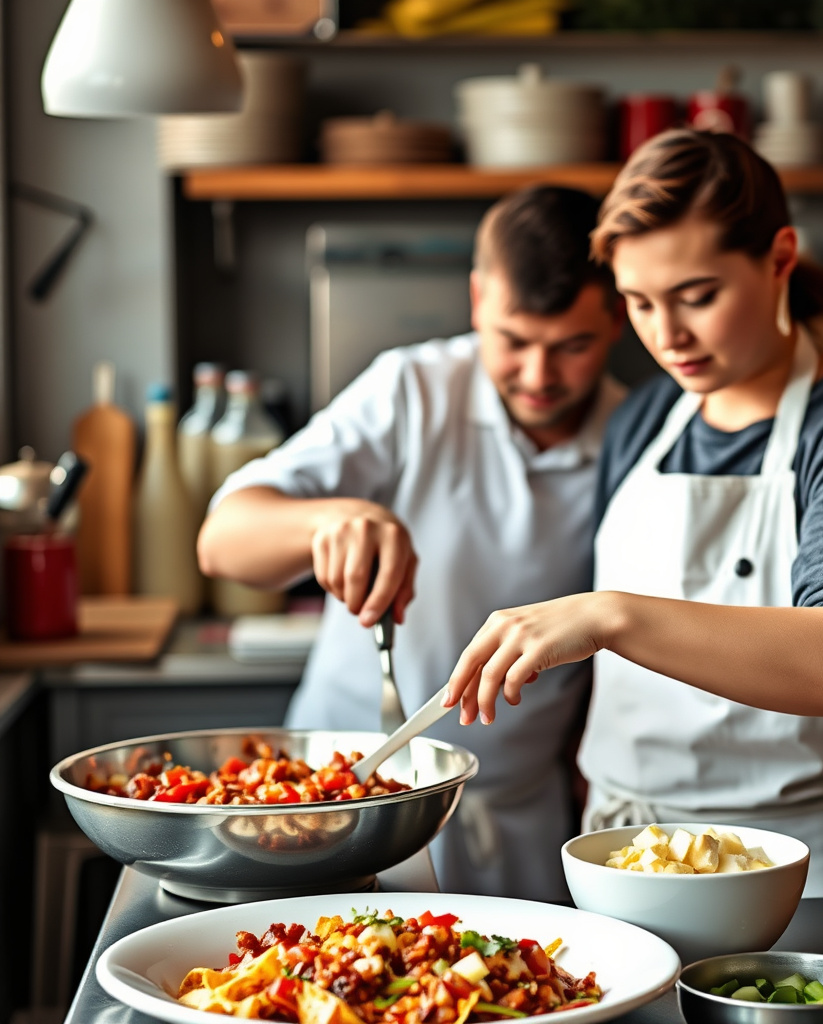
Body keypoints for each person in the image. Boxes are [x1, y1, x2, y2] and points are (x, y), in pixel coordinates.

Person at [443, 131, 823, 897]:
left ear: (780, 259)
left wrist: (610, 616)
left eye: (697, 297)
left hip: (799, 866)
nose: (667, 335)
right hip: (619, 851)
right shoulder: (643, 418)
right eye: (640, 302)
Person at [197, 186, 626, 901]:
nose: (539, 376)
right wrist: (324, 521)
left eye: (571, 347)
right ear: (476, 298)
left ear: (617, 316)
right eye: (513, 341)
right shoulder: (413, 389)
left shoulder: (636, 431)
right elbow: (222, 540)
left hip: (517, 812)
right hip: (337, 795)